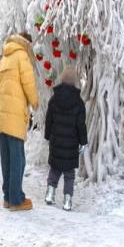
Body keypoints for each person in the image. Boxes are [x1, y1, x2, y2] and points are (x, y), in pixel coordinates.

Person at [0, 32, 38, 211]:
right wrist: (35, 102)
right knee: (17, 159)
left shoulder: (5, 56)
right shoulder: (22, 56)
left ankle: (7, 197)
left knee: (6, 158)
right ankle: (16, 199)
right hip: (14, 114)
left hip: (2, 114)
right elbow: (28, 82)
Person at [44, 65, 88, 211]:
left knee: (55, 169)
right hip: (71, 145)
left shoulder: (54, 99)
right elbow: (81, 125)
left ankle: (50, 193)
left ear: (62, 79)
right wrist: (83, 142)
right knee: (69, 174)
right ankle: (67, 200)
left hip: (56, 142)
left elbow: (49, 119)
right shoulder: (79, 102)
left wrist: (48, 135)